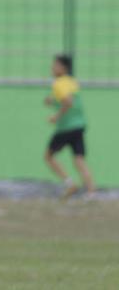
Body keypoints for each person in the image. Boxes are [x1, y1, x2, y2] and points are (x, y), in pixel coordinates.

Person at [44, 54, 95, 199]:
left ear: (63, 68)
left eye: (55, 65)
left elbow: (68, 101)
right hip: (79, 125)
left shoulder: (59, 83)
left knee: (48, 156)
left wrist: (56, 116)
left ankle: (69, 183)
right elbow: (68, 99)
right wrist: (52, 100)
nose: (52, 68)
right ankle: (91, 191)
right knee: (79, 159)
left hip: (66, 127)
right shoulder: (71, 82)